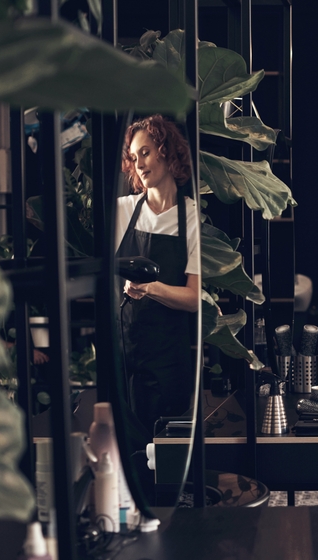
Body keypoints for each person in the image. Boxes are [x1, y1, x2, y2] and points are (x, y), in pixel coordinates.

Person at [116, 115, 200, 437]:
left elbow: (193, 298)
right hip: (124, 358)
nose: (139, 164)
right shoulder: (123, 210)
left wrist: (151, 288)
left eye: (146, 153)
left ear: (167, 152)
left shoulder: (191, 217)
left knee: (163, 451)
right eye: (134, 157)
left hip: (168, 362)